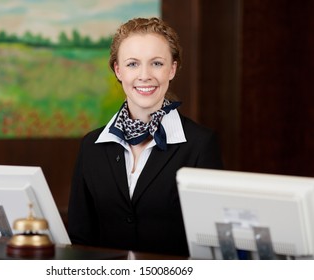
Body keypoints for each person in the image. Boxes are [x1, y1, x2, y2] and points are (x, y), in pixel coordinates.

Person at [67, 17, 223, 256]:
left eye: (157, 63)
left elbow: (211, 243)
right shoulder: (91, 146)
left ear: (172, 69)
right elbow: (79, 239)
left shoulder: (201, 145)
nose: (144, 75)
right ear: (118, 70)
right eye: (132, 64)